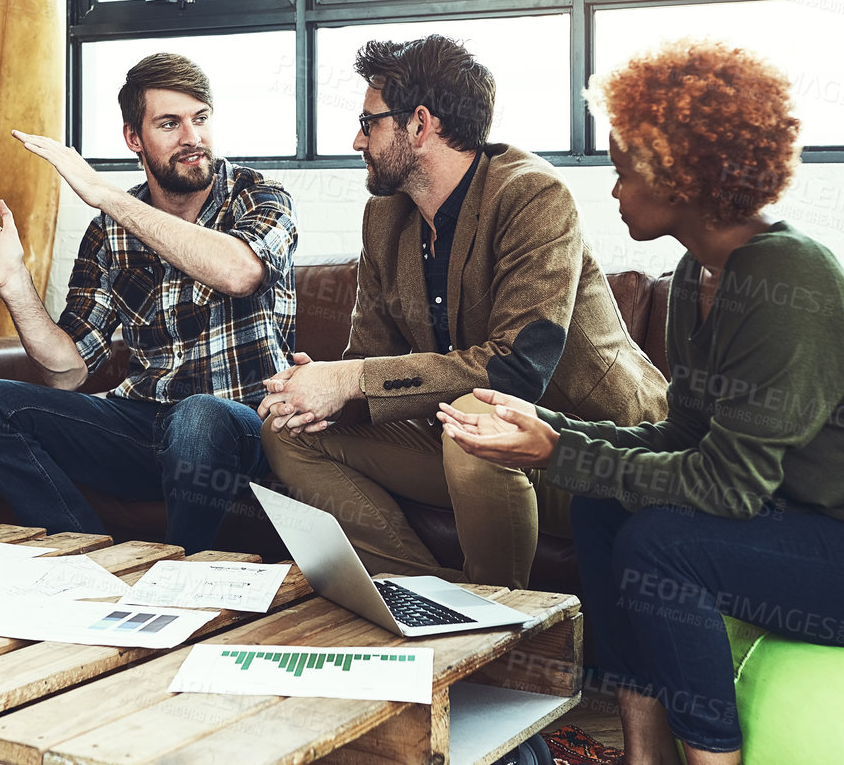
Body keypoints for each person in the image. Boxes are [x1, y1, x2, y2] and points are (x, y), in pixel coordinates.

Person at [438, 38, 844, 765]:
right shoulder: (696, 277)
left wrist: (559, 452)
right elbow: (683, 442)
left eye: (621, 168)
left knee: (661, 544)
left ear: (679, 173)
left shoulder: (788, 281)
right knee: (606, 509)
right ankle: (645, 754)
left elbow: (725, 488)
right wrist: (551, 426)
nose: (610, 189)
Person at [259, 35, 668, 589]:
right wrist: (323, 391)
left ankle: (501, 619)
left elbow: (517, 370)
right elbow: (371, 362)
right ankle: (425, 598)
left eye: (369, 121)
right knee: (289, 432)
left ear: (419, 124)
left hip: (593, 457)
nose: (357, 139)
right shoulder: (385, 219)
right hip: (472, 448)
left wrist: (351, 378)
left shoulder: (531, 197)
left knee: (477, 418)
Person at [0, 52, 297, 553]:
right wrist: (14, 283)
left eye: (201, 118)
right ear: (134, 138)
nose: (192, 138)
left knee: (199, 415)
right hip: (143, 426)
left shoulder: (259, 197)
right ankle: (93, 559)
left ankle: (182, 579)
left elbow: (239, 272)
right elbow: (67, 373)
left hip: (239, 428)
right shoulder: (107, 234)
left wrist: (104, 193)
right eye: (170, 124)